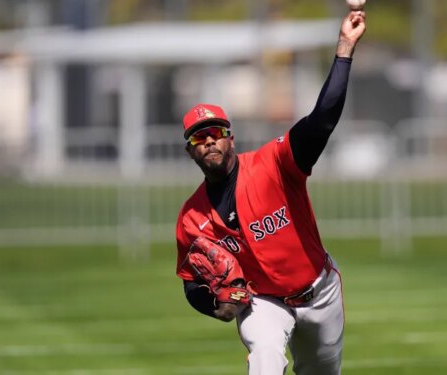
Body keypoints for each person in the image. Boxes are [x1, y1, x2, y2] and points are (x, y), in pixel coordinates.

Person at [175, 10, 366, 375]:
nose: (209, 140)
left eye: (216, 131)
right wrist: (215, 304)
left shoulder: (274, 164)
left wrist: (344, 49)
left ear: (231, 137)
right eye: (199, 137)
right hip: (261, 301)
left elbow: (323, 118)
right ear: (190, 151)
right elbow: (191, 282)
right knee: (265, 354)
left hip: (319, 290)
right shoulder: (192, 217)